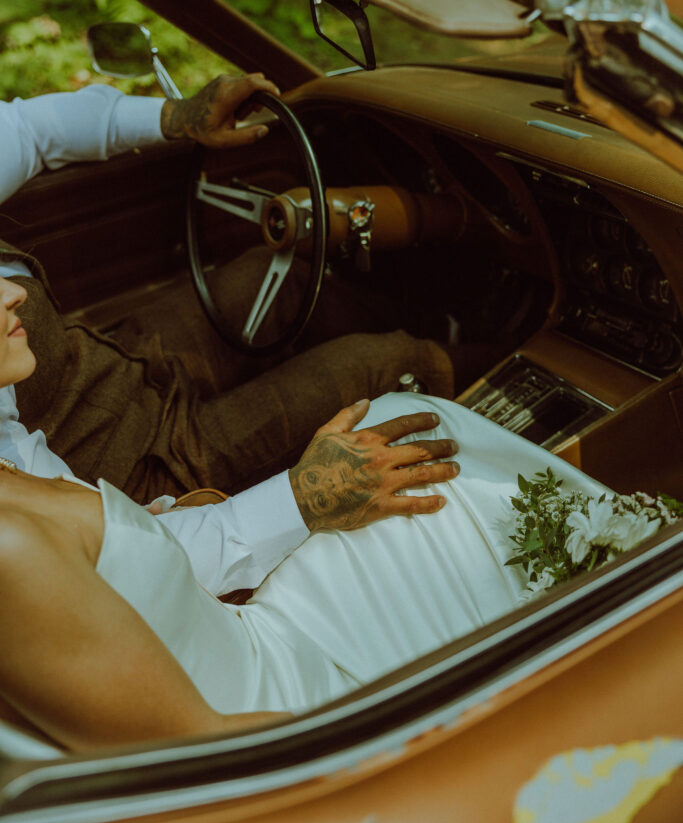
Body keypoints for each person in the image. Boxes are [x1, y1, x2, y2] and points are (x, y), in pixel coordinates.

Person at [0, 274, 611, 757]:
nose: (14, 291)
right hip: (293, 706)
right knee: (434, 446)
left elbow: (107, 564)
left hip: (220, 626)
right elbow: (218, 757)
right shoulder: (12, 556)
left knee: (404, 421)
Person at [0, 74, 497, 539]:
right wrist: (302, 498)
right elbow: (109, 544)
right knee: (390, 364)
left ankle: (450, 328)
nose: (15, 294)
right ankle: (504, 365)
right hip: (142, 471)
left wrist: (178, 117)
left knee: (276, 277)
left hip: (116, 366)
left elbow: (27, 130)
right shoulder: (15, 477)